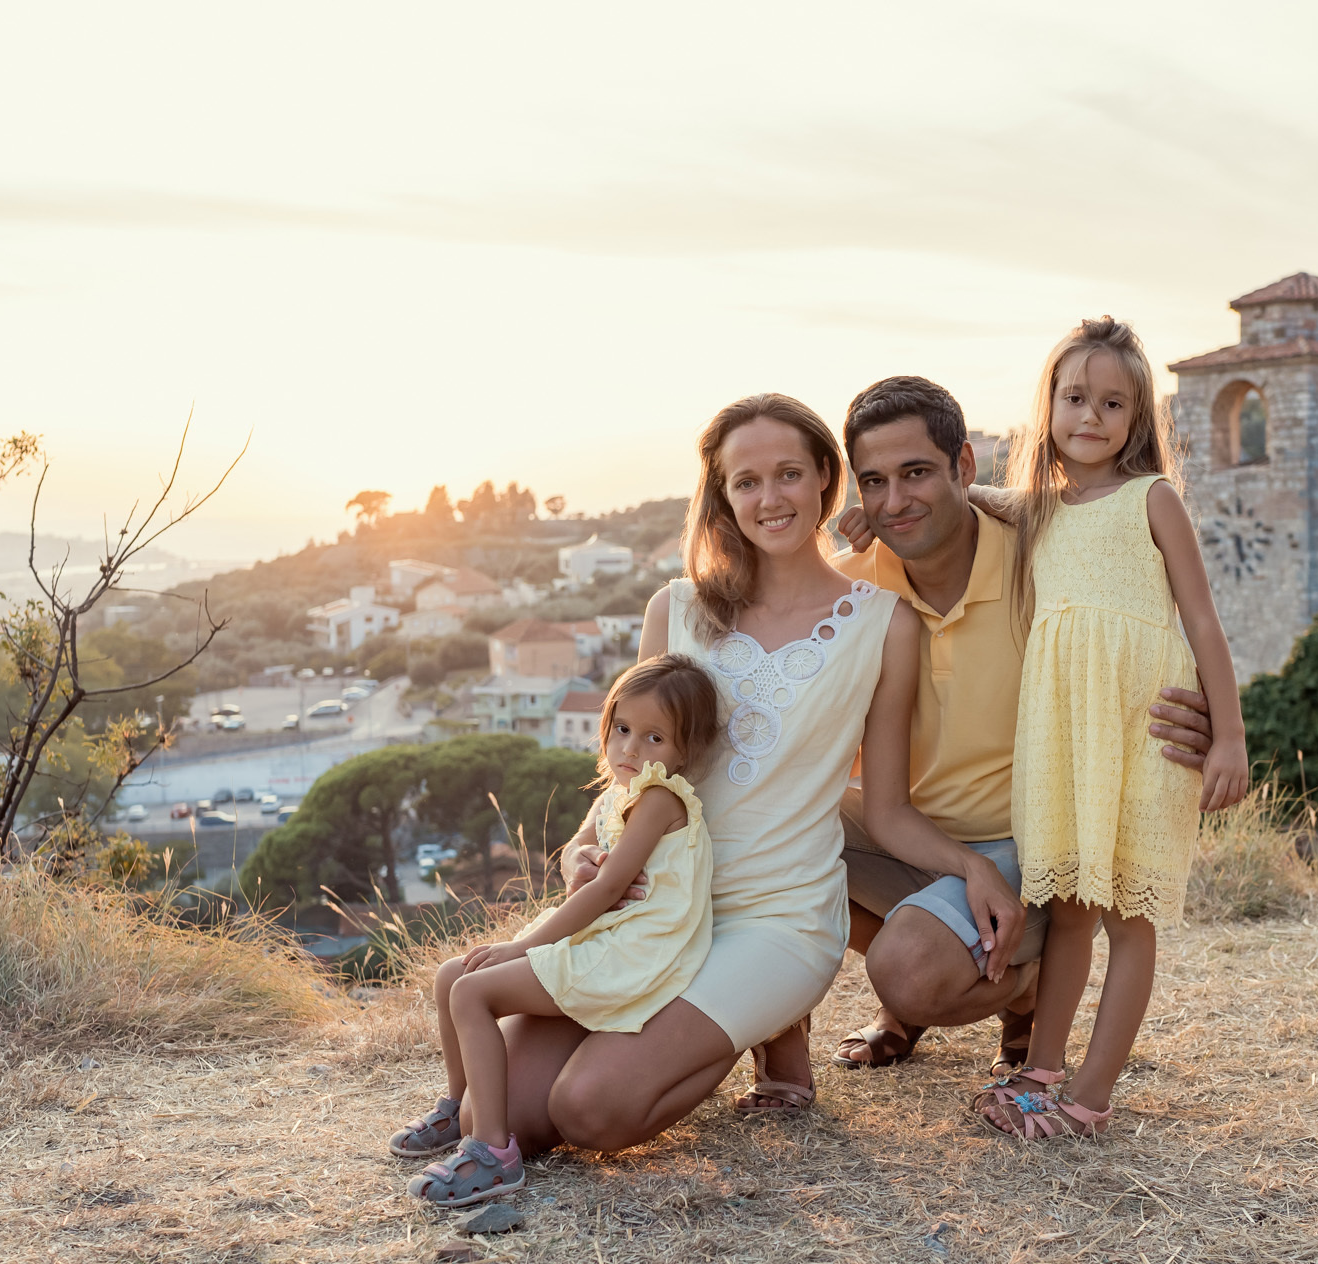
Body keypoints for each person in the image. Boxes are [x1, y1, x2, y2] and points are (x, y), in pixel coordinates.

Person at [437, 392, 1013, 1153]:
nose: (769, 498)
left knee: (590, 1108)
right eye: (746, 481)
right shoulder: (672, 610)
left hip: (775, 919)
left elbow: (890, 808)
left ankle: (762, 1023)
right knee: (495, 1116)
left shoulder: (884, 623)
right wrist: (583, 845)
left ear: (824, 481)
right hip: (652, 911)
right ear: (722, 494)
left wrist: (973, 866)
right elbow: (631, 772)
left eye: (787, 474)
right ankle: (728, 1034)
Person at [828, 376, 1215, 1074]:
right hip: (914, 836)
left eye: (916, 473)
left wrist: (1206, 717)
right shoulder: (851, 584)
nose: (894, 502)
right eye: (874, 482)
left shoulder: (1045, 557)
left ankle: (1018, 986)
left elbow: (1144, 630)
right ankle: (925, 972)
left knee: (909, 969)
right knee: (764, 838)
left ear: (965, 468)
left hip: (1032, 845)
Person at [971, 316, 1248, 1139]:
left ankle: (1091, 1092)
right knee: (1066, 908)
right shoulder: (1038, 513)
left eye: (1112, 402)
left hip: (1143, 730)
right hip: (1063, 735)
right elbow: (973, 501)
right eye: (1074, 397)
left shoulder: (1152, 499)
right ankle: (1041, 1069)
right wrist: (877, 517)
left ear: (1138, 418)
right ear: (1048, 405)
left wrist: (1228, 734)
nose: (1090, 415)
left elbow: (1202, 620)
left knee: (1130, 916)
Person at [394, 656, 722, 1204]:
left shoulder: (660, 799)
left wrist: (523, 946)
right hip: (607, 934)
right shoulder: (621, 795)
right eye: (621, 729)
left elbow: (606, 890)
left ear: (685, 751)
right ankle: (457, 1109)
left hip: (631, 950)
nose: (630, 749)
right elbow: (582, 861)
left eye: (653, 737)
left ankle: (493, 1154)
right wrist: (576, 861)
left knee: (474, 990)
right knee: (453, 975)